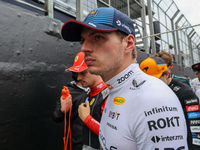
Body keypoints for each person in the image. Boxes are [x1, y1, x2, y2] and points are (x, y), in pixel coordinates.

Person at [61, 7, 188, 150]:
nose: (84, 48)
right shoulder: (114, 89)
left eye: (97, 37)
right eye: (83, 40)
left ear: (128, 43)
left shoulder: (153, 97)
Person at [140, 55, 200, 150]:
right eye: (147, 80)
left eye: (156, 79)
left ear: (167, 74)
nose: (151, 84)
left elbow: (195, 130)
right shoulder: (144, 92)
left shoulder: (185, 93)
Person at [59, 52, 109, 150]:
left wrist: (87, 118)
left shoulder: (108, 94)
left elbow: (112, 133)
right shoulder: (89, 93)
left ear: (95, 69)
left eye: (83, 73)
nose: (79, 78)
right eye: (77, 73)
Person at [52, 52, 90, 150]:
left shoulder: (100, 89)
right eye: (79, 73)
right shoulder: (68, 92)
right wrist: (62, 110)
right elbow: (56, 117)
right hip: (79, 143)